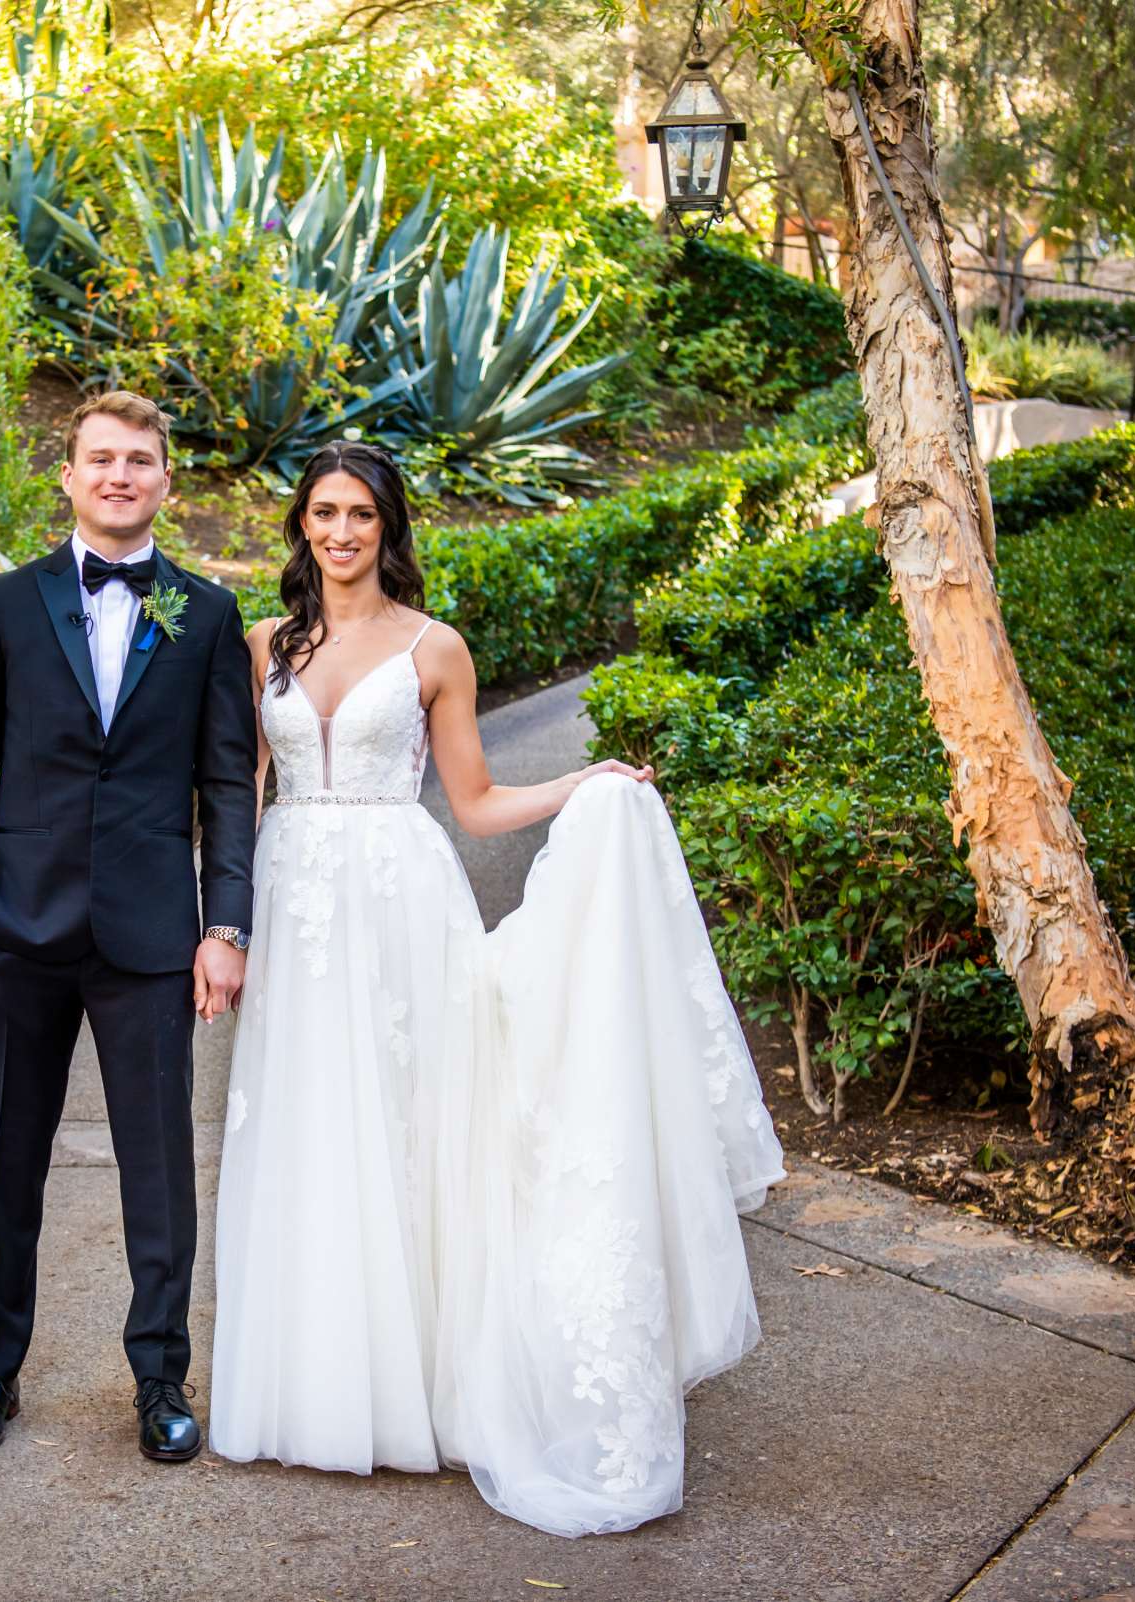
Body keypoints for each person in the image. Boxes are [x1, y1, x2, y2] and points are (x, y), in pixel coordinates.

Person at [209, 441, 786, 1536]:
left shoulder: (436, 648)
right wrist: (215, 921)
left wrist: (587, 781)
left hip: (403, 904)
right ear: (302, 526)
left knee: (417, 1134)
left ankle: (427, 1390)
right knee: (306, 1135)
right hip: (294, 905)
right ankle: (318, 1390)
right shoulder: (260, 646)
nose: (340, 534)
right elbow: (234, 797)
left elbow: (471, 803)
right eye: (323, 514)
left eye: (360, 516)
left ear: (390, 529)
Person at [0, 391, 256, 1462]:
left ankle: (160, 1377)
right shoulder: (4, 604)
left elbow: (227, 783)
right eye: (101, 459)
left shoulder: (206, 616)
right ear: (66, 475)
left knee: (158, 1166)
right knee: (5, 1166)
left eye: (141, 460)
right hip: (19, 929)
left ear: (168, 480)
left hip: (152, 932)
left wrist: (227, 925)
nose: (121, 476)